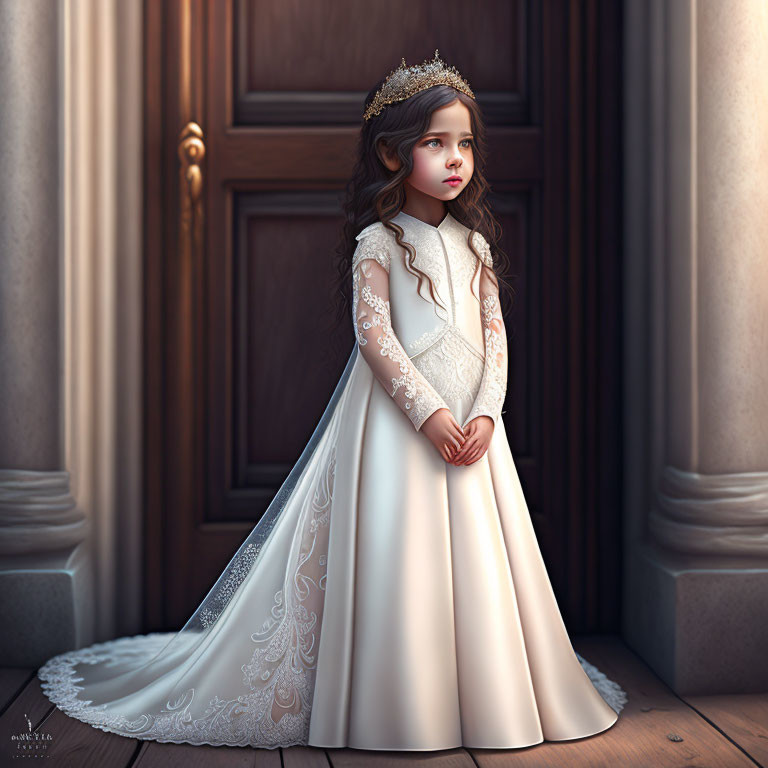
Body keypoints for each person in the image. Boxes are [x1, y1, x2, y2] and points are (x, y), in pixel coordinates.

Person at [37, 50, 626, 751]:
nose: (455, 158)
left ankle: (485, 699)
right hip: (399, 429)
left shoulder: (476, 246)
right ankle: (396, 702)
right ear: (391, 153)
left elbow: (496, 342)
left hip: (474, 430)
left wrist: (484, 412)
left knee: (480, 562)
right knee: (397, 552)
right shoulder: (378, 240)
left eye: (464, 143)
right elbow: (375, 338)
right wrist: (429, 414)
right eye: (435, 143)